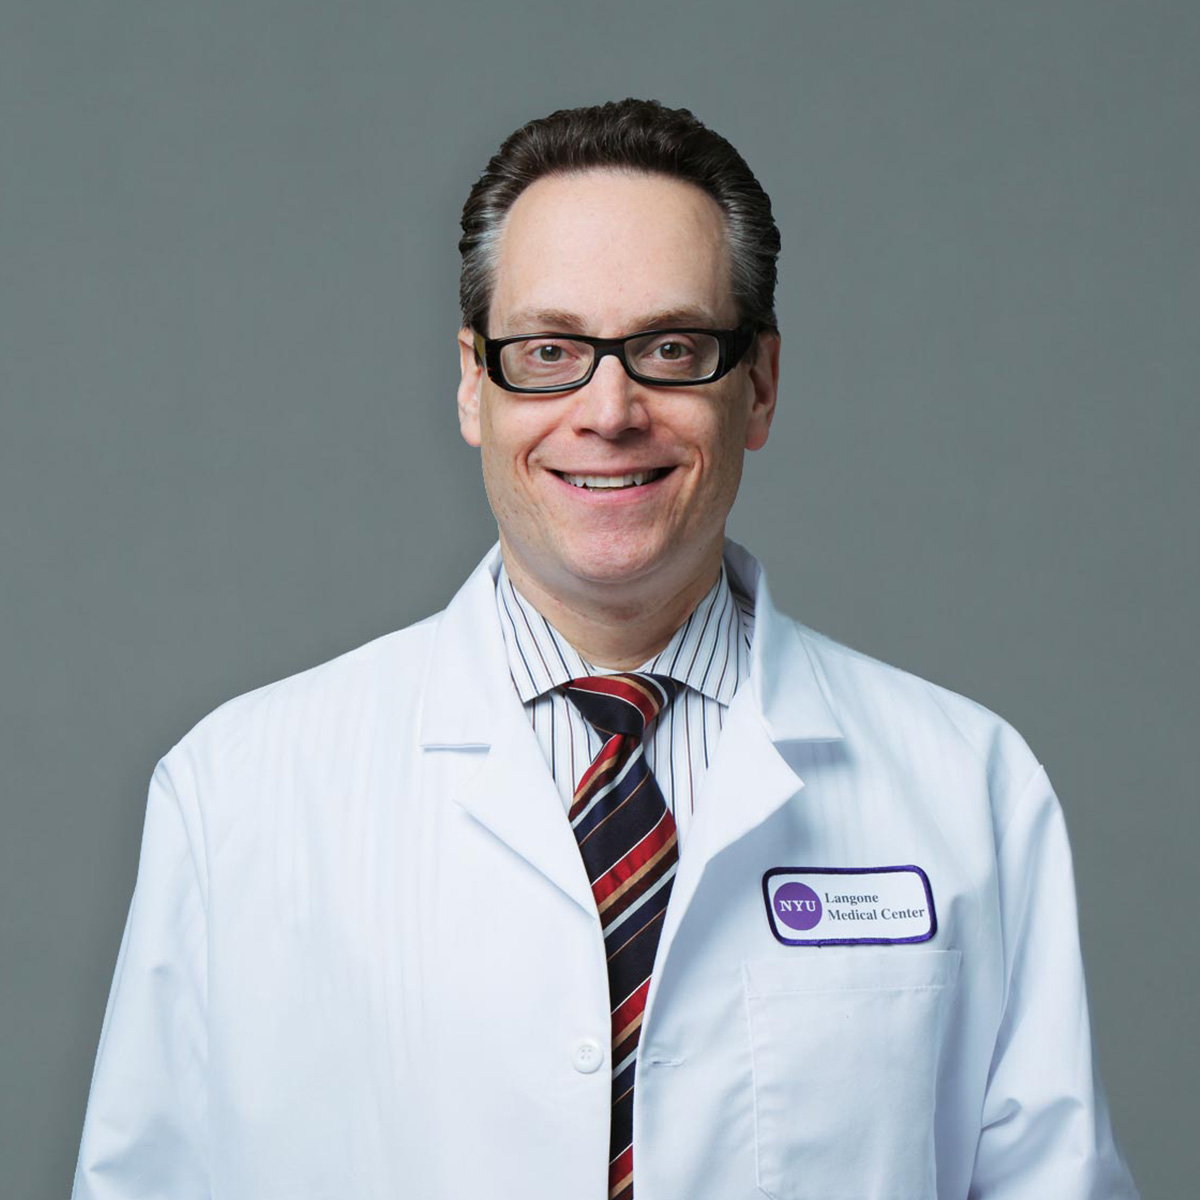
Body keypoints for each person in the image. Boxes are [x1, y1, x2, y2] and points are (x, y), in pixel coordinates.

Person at [72, 99, 1139, 1200]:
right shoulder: (237, 793)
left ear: (759, 385)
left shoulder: (968, 787)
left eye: (671, 348)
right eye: (550, 352)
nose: (610, 409)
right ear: (474, 384)